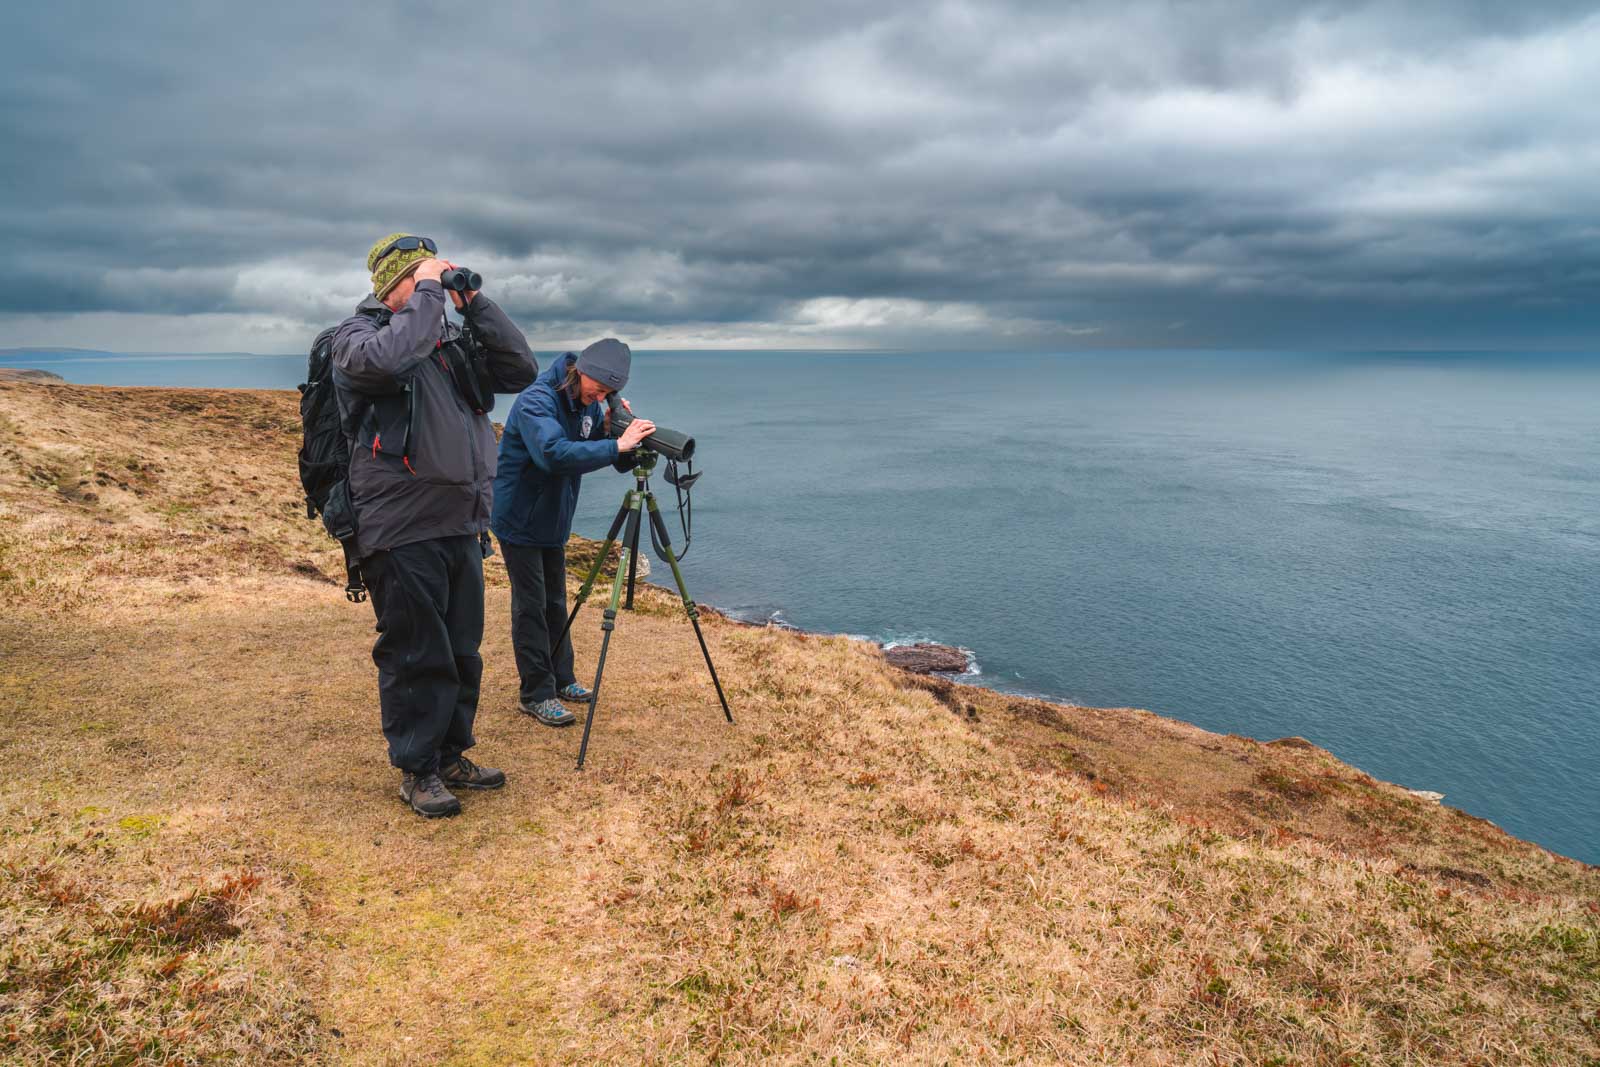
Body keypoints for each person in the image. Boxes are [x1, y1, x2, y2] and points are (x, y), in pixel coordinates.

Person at [332, 233, 538, 818]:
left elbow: (519, 368)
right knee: (415, 651)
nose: (436, 290)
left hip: (459, 519)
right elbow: (390, 359)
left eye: (437, 280)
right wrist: (426, 289)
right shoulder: (356, 338)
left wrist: (474, 303)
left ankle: (449, 753)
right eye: (421, 279)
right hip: (399, 522)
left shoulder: (446, 338)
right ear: (392, 283)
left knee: (460, 648)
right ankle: (417, 769)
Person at [491, 338, 656, 726]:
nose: (600, 397)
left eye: (608, 394)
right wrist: (616, 444)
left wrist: (619, 435)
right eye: (597, 390)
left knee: (555, 602)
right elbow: (553, 454)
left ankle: (562, 679)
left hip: (552, 519)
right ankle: (535, 693)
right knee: (531, 608)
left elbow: (603, 453)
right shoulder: (538, 401)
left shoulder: (586, 404)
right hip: (519, 520)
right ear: (580, 371)